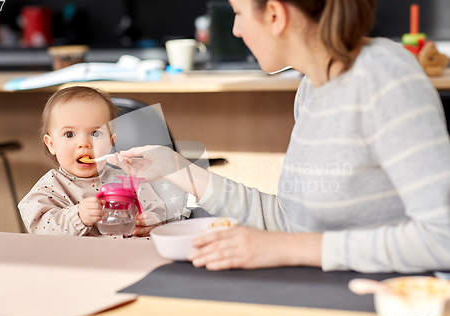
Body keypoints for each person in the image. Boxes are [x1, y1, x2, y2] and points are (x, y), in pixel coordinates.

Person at [113, 0, 450, 272]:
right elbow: (295, 222)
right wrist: (176, 168)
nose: (236, 28)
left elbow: (443, 239)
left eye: (239, 13)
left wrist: (286, 249)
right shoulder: (312, 87)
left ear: (274, 14)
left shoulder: (387, 79)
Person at [18, 86, 166, 236]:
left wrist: (152, 223)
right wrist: (78, 217)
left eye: (95, 133)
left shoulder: (127, 178)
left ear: (110, 142)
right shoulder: (49, 188)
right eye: (69, 134)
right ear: (51, 144)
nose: (84, 143)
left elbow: (159, 211)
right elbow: (40, 229)